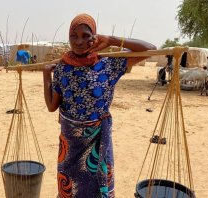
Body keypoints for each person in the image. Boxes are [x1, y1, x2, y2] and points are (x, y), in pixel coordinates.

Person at [43, 14, 156, 197]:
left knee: (97, 188)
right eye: (74, 35)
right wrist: (46, 74)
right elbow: (51, 106)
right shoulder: (63, 67)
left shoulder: (109, 64)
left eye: (86, 35)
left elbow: (150, 49)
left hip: (98, 142)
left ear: (95, 37)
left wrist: (111, 40)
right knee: (70, 189)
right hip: (70, 145)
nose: (79, 41)